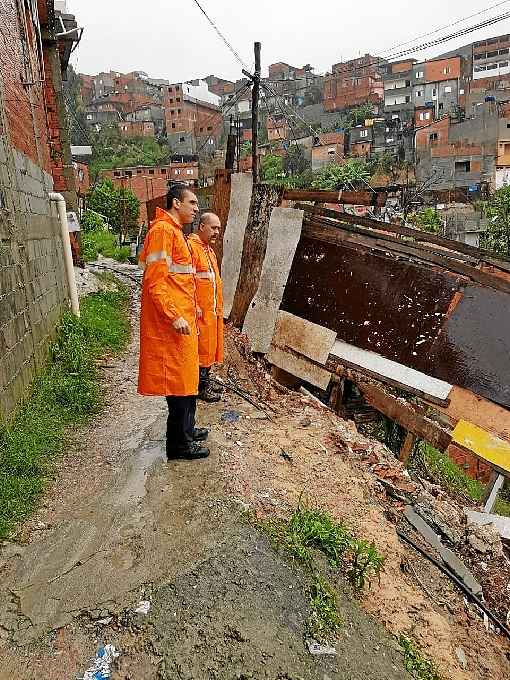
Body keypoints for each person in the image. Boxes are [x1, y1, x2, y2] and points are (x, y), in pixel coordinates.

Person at [138, 182, 209, 461]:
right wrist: (174, 315)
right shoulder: (163, 232)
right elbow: (155, 282)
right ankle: (179, 445)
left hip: (183, 322)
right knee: (179, 385)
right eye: (192, 203)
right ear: (176, 203)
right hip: (173, 326)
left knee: (187, 381)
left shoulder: (175, 233)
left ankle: (187, 432)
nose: (196, 209)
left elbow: (182, 282)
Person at [188, 213, 224, 402]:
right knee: (201, 352)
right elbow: (186, 282)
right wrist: (193, 305)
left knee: (209, 350)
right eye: (213, 228)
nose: (217, 232)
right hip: (199, 313)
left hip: (211, 312)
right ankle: (199, 388)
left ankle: (204, 381)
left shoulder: (208, 251)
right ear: (201, 226)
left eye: (218, 228)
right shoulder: (192, 248)